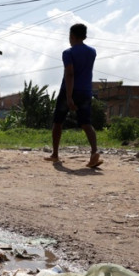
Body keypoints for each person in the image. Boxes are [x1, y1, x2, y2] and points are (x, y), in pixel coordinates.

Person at [45, 23, 101, 168]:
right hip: (86, 91)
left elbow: (70, 74)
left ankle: (55, 154)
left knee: (58, 121)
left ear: (72, 36)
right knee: (86, 123)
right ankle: (94, 152)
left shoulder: (68, 53)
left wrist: (69, 97)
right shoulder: (92, 52)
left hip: (69, 90)